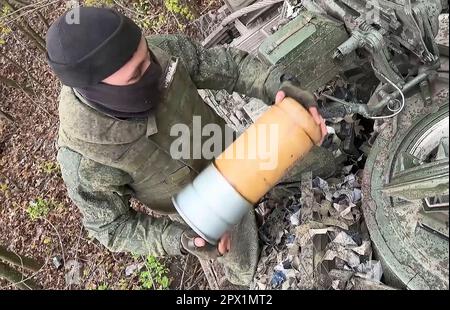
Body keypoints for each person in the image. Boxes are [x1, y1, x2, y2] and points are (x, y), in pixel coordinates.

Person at [46, 6, 328, 286]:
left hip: (240, 153)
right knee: (252, 271)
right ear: (97, 91)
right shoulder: (86, 158)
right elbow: (111, 226)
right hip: (204, 211)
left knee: (322, 172)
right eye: (136, 75)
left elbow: (227, 67)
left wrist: (275, 84)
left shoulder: (161, 52)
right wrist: (178, 240)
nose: (152, 71)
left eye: (149, 58)